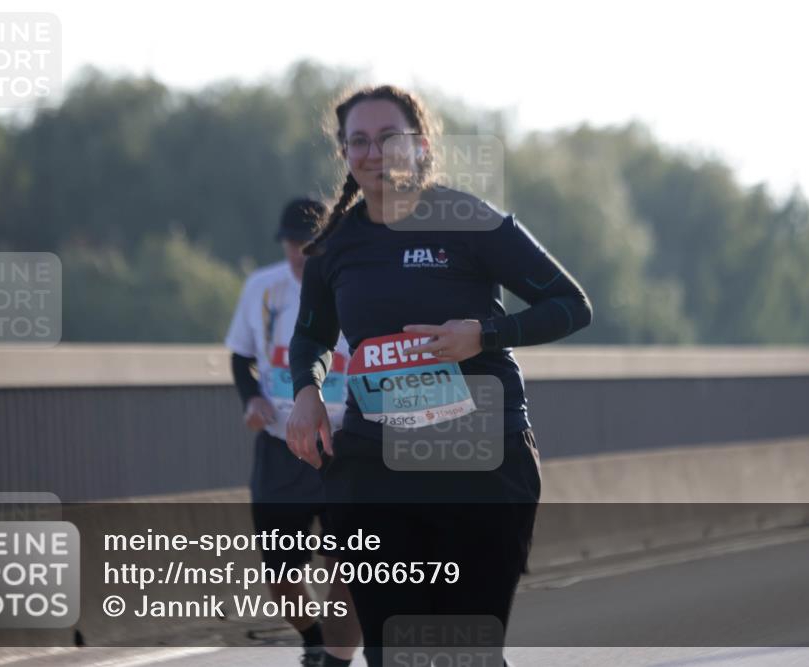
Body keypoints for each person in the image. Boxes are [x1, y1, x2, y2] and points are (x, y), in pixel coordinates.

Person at [286, 85, 593, 667]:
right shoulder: (334, 244)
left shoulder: (470, 220)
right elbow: (311, 337)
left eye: (389, 138)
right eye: (358, 141)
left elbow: (571, 305)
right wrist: (307, 392)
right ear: (344, 153)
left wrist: (484, 334)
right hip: (376, 466)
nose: (374, 153)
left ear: (421, 145)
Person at [225, 198, 360, 667]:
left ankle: (336, 656)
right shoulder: (263, 288)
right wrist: (252, 398)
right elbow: (241, 355)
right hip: (282, 446)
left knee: (348, 565)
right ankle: (314, 639)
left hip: (345, 445)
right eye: (291, 244)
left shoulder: (355, 285)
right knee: (280, 574)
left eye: (309, 243)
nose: (299, 253)